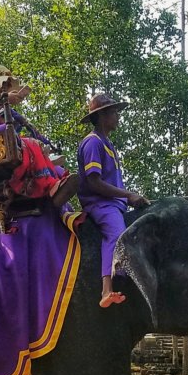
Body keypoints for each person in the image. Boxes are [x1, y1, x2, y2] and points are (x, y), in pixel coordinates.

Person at [0, 65, 76, 207]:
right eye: (4, 84)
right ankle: (44, 186)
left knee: (30, 143)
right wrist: (4, 101)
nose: (4, 89)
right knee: (30, 143)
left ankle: (50, 183)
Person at [76, 93, 149, 308]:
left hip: (115, 204)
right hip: (99, 203)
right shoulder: (92, 143)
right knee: (117, 235)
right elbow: (94, 183)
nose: (118, 116)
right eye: (114, 112)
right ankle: (106, 290)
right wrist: (128, 195)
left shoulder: (108, 144)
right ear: (100, 117)